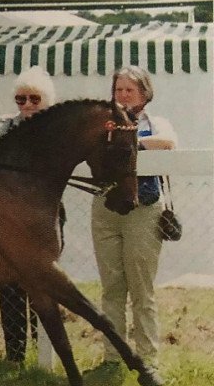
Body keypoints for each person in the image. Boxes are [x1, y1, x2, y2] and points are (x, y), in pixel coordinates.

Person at [91, 65, 177, 378]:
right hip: (106, 209)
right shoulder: (104, 120)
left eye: (130, 90)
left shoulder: (156, 122)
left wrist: (130, 144)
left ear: (144, 93)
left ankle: (148, 362)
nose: (123, 95)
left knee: (142, 289)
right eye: (119, 90)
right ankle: (113, 359)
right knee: (112, 288)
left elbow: (166, 142)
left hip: (144, 209)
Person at [0, 66, 57, 365]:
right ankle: (15, 354)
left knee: (42, 282)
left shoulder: (56, 130)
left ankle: (44, 352)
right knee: (10, 284)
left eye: (34, 99)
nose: (26, 105)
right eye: (21, 99)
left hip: (43, 218)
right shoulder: (6, 126)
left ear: (46, 100)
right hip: (8, 219)